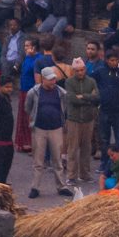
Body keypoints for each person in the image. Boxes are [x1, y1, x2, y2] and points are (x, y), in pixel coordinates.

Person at [26, 65, 70, 198]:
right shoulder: (33, 92)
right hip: (39, 128)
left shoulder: (61, 92)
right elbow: (28, 108)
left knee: (57, 160)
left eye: (54, 79)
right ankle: (35, 188)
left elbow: (65, 108)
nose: (53, 81)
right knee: (38, 161)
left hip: (56, 129)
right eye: (50, 79)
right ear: (43, 79)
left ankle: (61, 187)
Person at [61, 57, 101, 189]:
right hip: (74, 119)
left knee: (86, 148)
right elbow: (72, 99)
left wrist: (82, 96)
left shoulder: (92, 81)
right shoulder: (69, 82)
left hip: (88, 119)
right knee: (72, 148)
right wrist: (88, 97)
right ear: (73, 71)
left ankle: (84, 174)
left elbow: (97, 97)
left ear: (85, 69)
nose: (80, 73)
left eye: (82, 70)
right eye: (77, 70)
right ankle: (71, 176)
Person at [92, 43, 119, 156]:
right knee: (104, 139)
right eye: (112, 60)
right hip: (104, 110)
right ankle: (105, 163)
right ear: (106, 60)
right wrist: (96, 95)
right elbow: (91, 82)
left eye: (116, 60)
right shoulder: (100, 71)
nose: (114, 63)